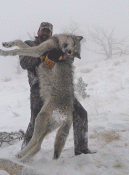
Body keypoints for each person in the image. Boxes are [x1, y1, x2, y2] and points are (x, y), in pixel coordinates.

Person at [19, 22, 93, 155]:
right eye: (43, 30)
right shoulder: (29, 44)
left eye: (48, 31)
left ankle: (82, 150)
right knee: (35, 122)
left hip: (60, 88)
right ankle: (23, 153)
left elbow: (70, 59)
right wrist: (43, 57)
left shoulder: (59, 45)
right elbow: (24, 63)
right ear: (38, 31)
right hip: (39, 89)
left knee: (81, 114)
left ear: (51, 34)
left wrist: (60, 56)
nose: (45, 33)